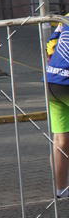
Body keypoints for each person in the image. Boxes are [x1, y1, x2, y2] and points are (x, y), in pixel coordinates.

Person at [46, 14, 69, 200]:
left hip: (52, 80)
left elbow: (50, 47)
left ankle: (61, 189)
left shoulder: (66, 18)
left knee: (61, 140)